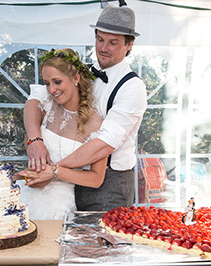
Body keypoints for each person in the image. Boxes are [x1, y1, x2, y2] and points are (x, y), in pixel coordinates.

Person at [23, 4, 147, 211]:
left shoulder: (133, 88)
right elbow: (35, 100)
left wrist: (53, 170)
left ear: (129, 45)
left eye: (113, 42)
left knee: (102, 241)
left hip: (108, 183)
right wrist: (35, 140)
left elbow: (105, 142)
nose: (103, 48)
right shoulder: (82, 72)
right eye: (100, 39)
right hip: (68, 181)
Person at [13, 48, 107, 220]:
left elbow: (96, 178)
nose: (51, 89)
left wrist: (54, 173)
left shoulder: (96, 123)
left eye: (57, 82)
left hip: (58, 207)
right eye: (47, 83)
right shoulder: (46, 105)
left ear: (76, 78)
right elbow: (30, 133)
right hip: (26, 197)